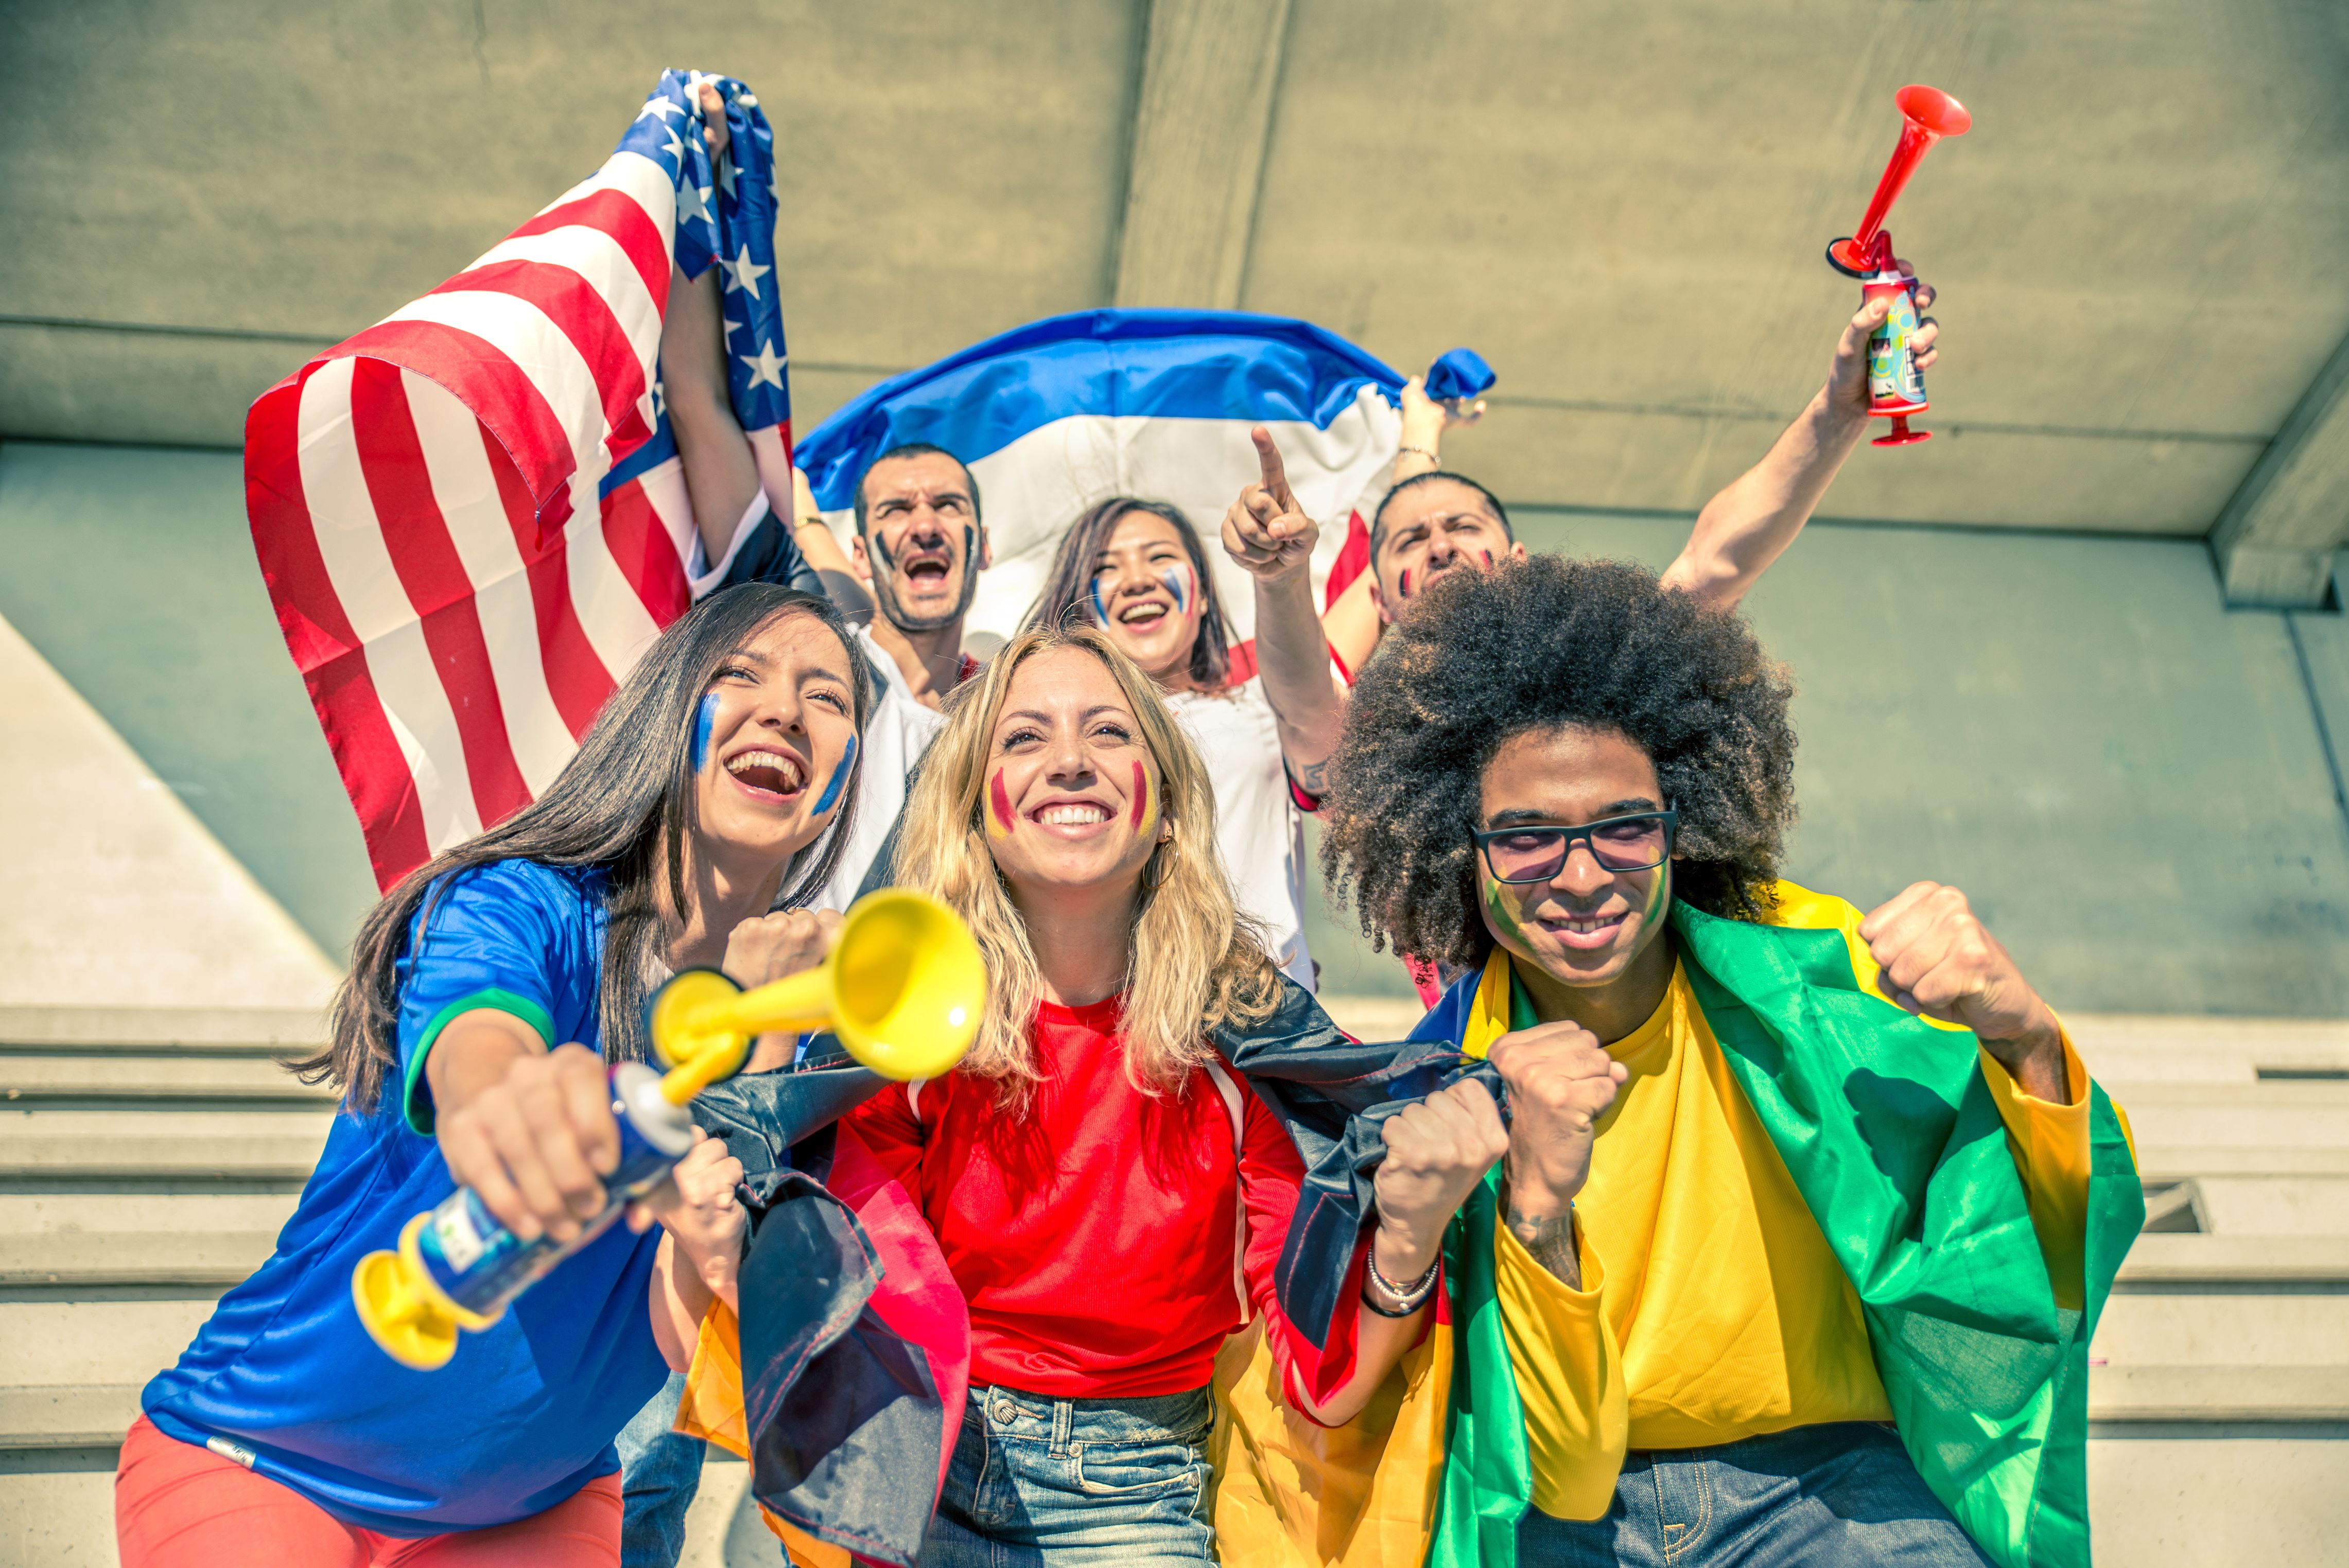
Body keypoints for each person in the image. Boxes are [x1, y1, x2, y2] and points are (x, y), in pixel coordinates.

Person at [1308, 554, 2142, 1567]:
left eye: (1624, 826)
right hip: (1553, 1509)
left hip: (1831, 1485)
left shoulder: (1824, 980)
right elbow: (1556, 1464)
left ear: (1679, 828)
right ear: (1461, 851)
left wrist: (2025, 1037)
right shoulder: (1434, 1087)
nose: (1581, 875)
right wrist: (1535, 1212)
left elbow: (2036, 1253)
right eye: (1525, 839)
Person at [115, 584, 869, 1567]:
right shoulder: (515, 904)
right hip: (262, 1460)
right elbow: (481, 1061)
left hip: (537, 1508)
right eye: (740, 674)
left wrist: (764, 1061)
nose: (785, 711)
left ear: (841, 780)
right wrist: (518, 1105)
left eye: (827, 697)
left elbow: (688, 1332)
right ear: (662, 713)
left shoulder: (800, 1028)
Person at [664, 622, 1406, 1564]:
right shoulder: (911, 1025)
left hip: (1136, 1488)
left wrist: (1411, 1236)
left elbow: (1319, 1351)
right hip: (920, 1463)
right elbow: (803, 1282)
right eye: (1023, 737)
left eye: (1107, 731)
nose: (1067, 761)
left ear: (1167, 807)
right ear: (973, 814)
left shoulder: (1248, 1029)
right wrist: (764, 1049)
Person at [1319, 275, 1944, 676]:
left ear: (1516, 562)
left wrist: (1839, 411)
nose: (1440, 544)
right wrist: (1421, 430)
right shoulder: (1358, 737)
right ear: (1379, 601)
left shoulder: (1587, 673)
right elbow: (1305, 689)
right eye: (1412, 542)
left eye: (1462, 526)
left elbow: (1710, 565)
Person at [1019, 434, 1344, 989]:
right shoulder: (1040, 739)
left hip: (1261, 1027)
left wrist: (1280, 576)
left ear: (1204, 594)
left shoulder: (1268, 706)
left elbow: (1318, 700)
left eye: (1160, 557)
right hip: (1106, 1023)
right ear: (1077, 609)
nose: (1138, 579)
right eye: (1106, 567)